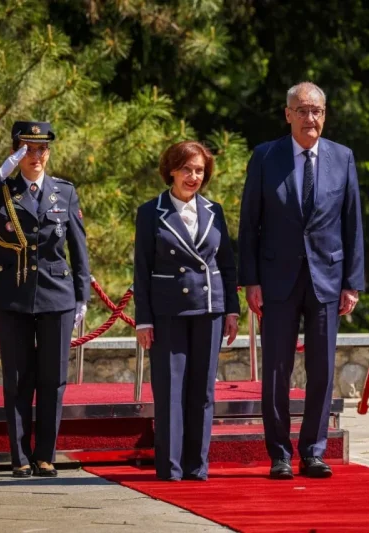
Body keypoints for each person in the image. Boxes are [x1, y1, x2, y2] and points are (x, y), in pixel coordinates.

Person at [238, 82, 365, 480]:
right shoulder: (265, 157)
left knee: (322, 369)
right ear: (288, 113)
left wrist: (353, 282)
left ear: (325, 115)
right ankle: (278, 452)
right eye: (304, 110)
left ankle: (313, 450)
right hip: (277, 279)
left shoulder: (342, 157)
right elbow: (250, 223)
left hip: (327, 277)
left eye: (318, 111)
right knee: (276, 369)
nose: (312, 118)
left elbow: (352, 222)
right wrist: (250, 280)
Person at [0, 121, 90, 478]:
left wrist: (83, 297)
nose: (36, 156)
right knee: (17, 378)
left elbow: (78, 248)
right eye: (27, 149)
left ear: (49, 151)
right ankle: (19, 456)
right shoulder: (1, 189)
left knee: (52, 378)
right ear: (17, 151)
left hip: (56, 296)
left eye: (41, 149)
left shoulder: (64, 191)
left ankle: (45, 455)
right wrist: (1, 170)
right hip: (12, 296)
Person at [133, 140, 239, 481]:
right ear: (172, 171)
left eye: (199, 171)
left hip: (208, 310)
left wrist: (232, 312)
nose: (193, 177)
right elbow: (142, 268)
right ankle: (170, 468)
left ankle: (197, 466)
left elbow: (227, 264)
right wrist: (143, 319)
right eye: (187, 170)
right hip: (167, 312)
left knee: (203, 392)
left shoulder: (214, 211)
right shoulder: (151, 212)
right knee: (169, 392)